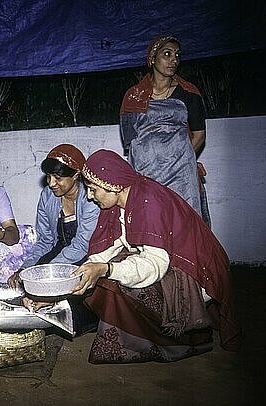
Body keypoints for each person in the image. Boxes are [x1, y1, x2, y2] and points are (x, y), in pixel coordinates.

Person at [67, 149, 240, 363]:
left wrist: (106, 270)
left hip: (194, 274)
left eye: (92, 189)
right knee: (102, 276)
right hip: (167, 262)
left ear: (113, 185)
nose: (89, 196)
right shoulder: (121, 201)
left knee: (114, 280)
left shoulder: (149, 202)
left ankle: (183, 341)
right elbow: (107, 249)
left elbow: (154, 264)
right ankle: (139, 334)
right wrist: (76, 276)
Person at [7, 144, 100, 336]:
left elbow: (82, 245)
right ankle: (39, 312)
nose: (51, 183)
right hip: (59, 250)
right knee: (31, 281)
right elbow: (45, 241)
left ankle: (79, 319)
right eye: (48, 177)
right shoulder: (48, 197)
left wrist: (51, 274)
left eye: (58, 178)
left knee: (73, 292)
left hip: (87, 254)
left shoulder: (90, 198)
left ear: (76, 175)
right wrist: (27, 268)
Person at [119, 35, 209, 222]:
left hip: (181, 174)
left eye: (177, 55)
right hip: (146, 173)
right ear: (152, 59)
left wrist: (177, 158)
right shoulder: (134, 96)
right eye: (167, 54)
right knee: (151, 221)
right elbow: (130, 140)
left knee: (183, 223)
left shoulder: (189, 93)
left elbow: (199, 134)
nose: (173, 60)